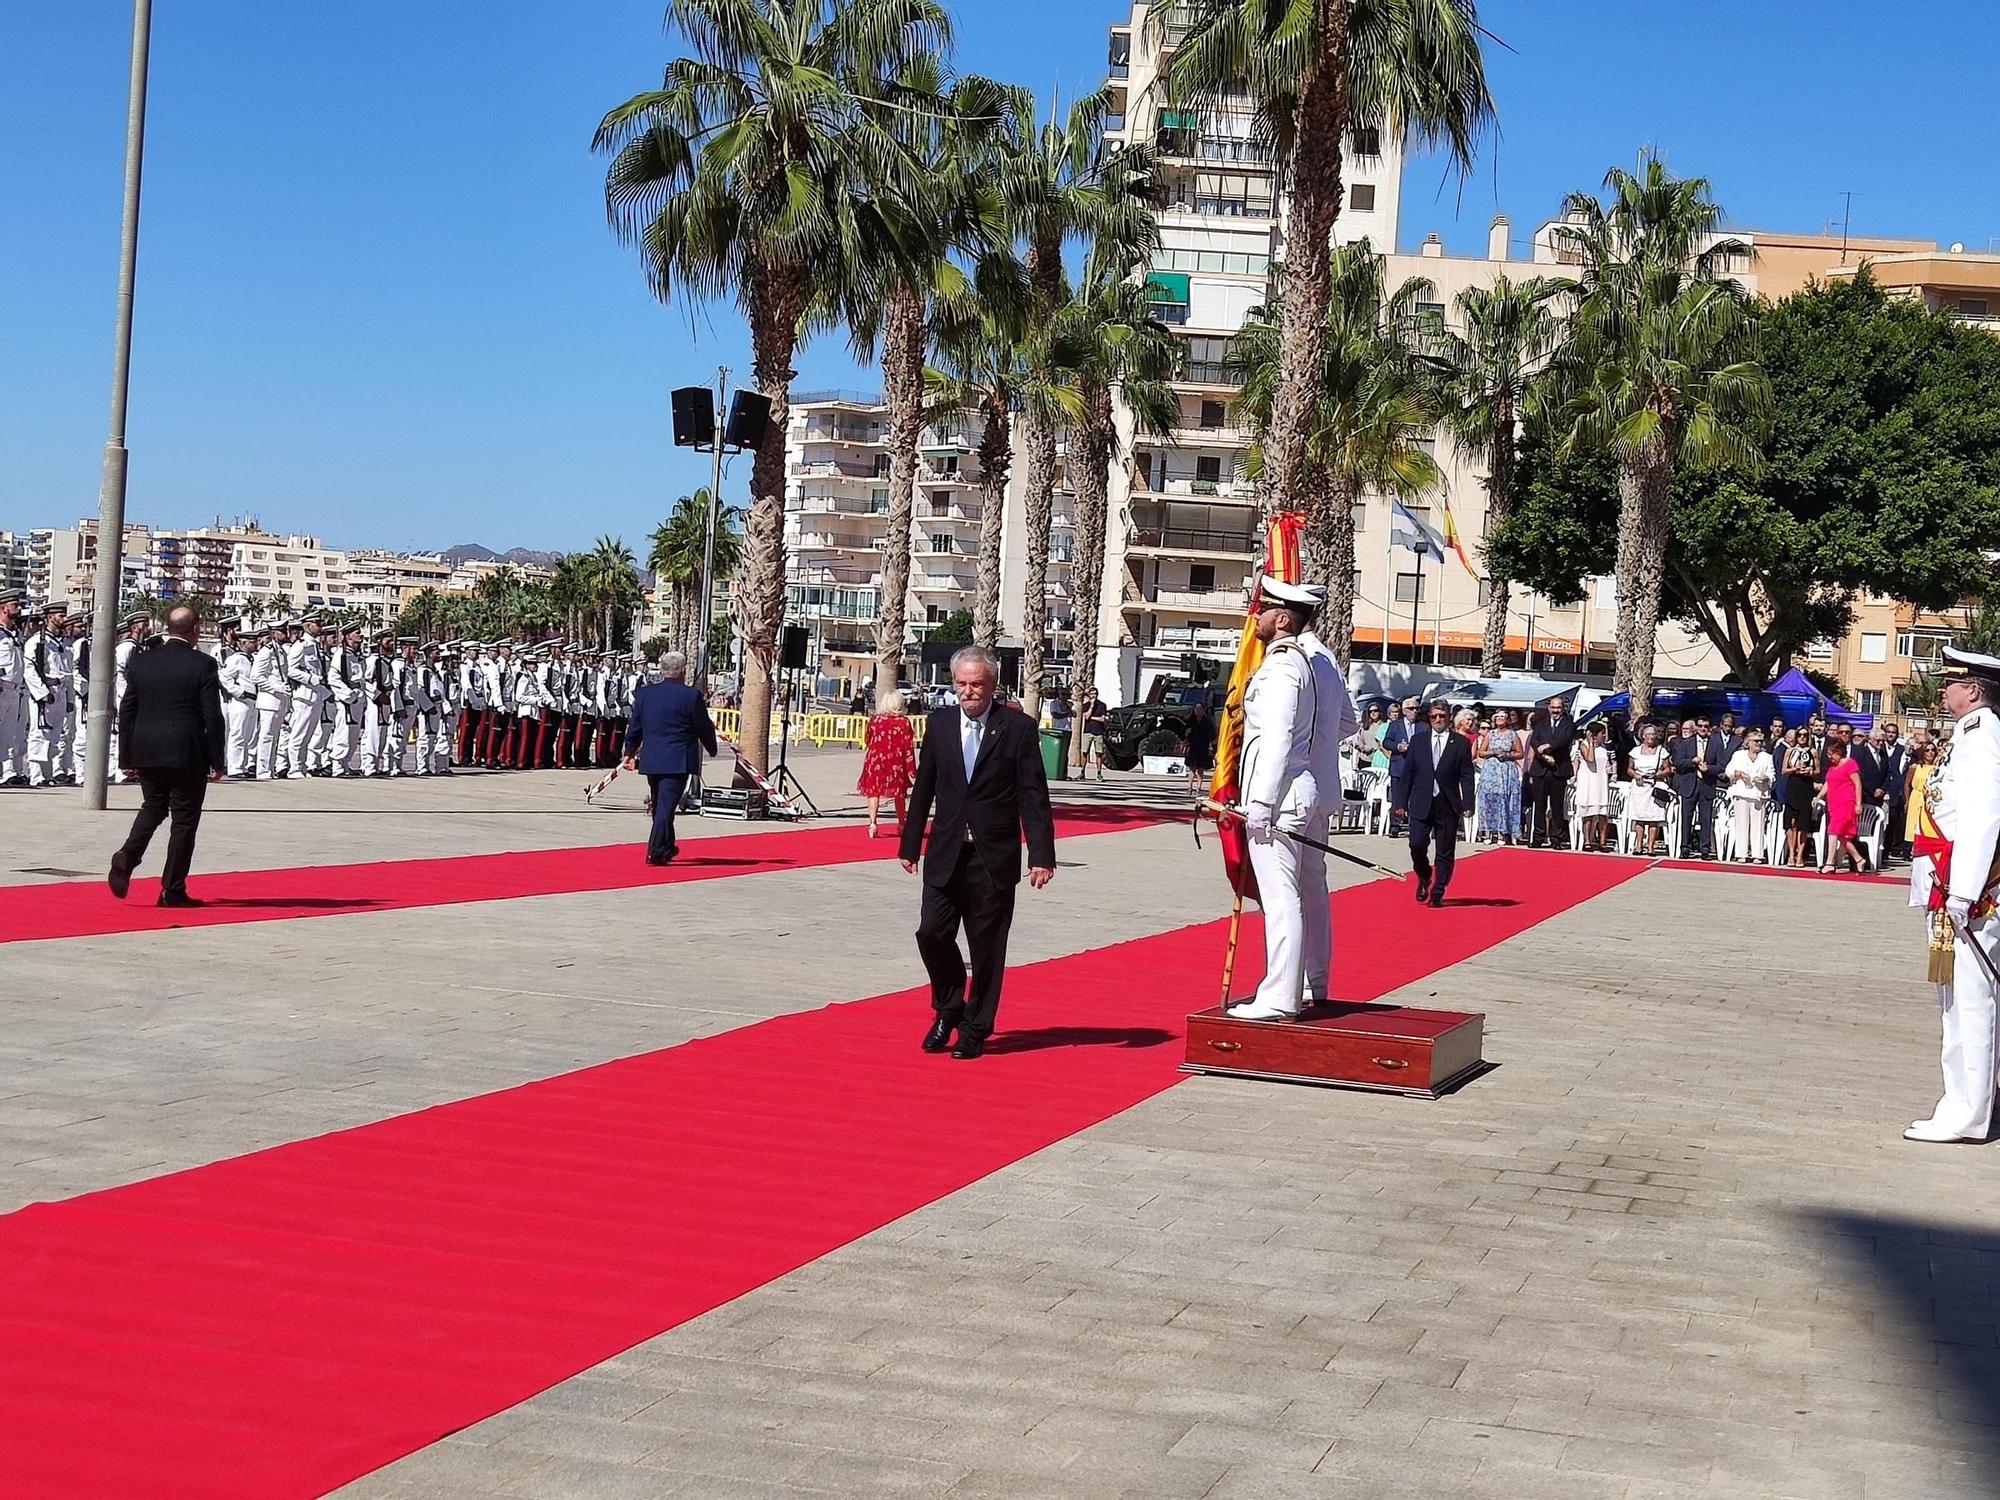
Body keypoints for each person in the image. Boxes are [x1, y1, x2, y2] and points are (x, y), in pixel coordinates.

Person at [899, 644, 1057, 1058]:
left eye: (976, 684)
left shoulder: (1018, 729)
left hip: (993, 858)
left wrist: (1041, 855)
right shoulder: (939, 724)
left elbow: (1033, 795)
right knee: (931, 933)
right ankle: (948, 1007)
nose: (968, 692)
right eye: (961, 684)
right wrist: (910, 843)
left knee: (987, 948)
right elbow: (924, 788)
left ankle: (976, 1027)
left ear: (992, 686)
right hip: (946, 851)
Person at [1225, 579, 1356, 1019]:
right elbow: (1347, 724)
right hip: (1312, 791)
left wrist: (1260, 801)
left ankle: (1281, 994)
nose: (1254, 616)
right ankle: (1314, 981)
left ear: (1282, 619)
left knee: (1283, 896)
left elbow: (1278, 736)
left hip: (1282, 796)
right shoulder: (1323, 658)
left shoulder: (1284, 665)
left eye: (1262, 609)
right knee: (1311, 891)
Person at [1906, 648, 2000, 1143]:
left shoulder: (1983, 735)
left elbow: (1984, 817)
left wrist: (1963, 892)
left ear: (1974, 689)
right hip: (1950, 883)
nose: (1942, 690)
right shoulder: (1968, 735)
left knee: (1971, 1001)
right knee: (1956, 1001)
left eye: (1951, 683)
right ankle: (1959, 1101)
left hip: (1969, 891)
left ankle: (1970, 1111)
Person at [107, 605, 226, 908]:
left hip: (147, 750)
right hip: (187, 752)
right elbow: (212, 717)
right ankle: (172, 888)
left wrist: (127, 756)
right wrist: (217, 759)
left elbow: (128, 710)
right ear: (195, 630)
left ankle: (128, 854)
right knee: (184, 822)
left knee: (154, 806)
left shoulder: (143, 662)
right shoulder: (203, 664)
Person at [622, 650, 718, 866]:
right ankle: (655, 850)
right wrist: (712, 748)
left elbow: (635, 726)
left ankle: (666, 846)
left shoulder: (646, 694)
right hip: (677, 760)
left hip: (653, 759)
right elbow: (703, 726)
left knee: (661, 804)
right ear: (683, 671)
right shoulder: (691, 696)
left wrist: (629, 751)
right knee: (665, 806)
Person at [1403, 698, 1477, 908]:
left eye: (1442, 716)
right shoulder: (1418, 740)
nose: (1438, 719)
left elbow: (1466, 775)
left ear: (1449, 717)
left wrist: (1468, 802)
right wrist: (1400, 802)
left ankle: (1437, 891)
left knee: (1444, 850)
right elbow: (1408, 772)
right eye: (1434, 716)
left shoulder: (1461, 743)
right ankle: (1424, 875)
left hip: (1447, 802)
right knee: (1416, 843)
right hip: (1421, 801)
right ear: (1429, 717)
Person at [24, 601, 73, 786]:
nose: (64, 619)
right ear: (50, 617)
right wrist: (42, 693)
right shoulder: (37, 641)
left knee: (55, 736)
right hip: (46, 693)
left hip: (60, 691)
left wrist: (69, 698)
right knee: (39, 734)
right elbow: (30, 669)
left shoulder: (64, 642)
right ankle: (36, 776)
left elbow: (69, 673)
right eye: (60, 616)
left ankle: (48, 774)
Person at [856, 689, 917, 838]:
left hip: (875, 760)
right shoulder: (903, 722)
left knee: (873, 792)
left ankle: (872, 823)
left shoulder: (875, 720)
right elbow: (908, 747)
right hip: (896, 762)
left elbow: (867, 739)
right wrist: (912, 769)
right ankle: (902, 824)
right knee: (899, 794)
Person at [1524, 695, 1576, 849]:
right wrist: (1545, 756)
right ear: (1549, 708)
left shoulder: (1569, 725)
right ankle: (1538, 837)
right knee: (1539, 806)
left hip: (1558, 770)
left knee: (1557, 807)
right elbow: (1534, 742)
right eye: (1553, 708)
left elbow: (1563, 740)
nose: (1555, 711)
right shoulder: (1541, 724)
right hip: (1540, 769)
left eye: (1558, 708)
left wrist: (1547, 747)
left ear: (1563, 708)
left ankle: (1557, 839)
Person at [1724, 728, 1775, 864]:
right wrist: (1739, 774)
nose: (1759, 743)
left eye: (1760, 741)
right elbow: (1728, 770)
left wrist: (1765, 778)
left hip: (1759, 794)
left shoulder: (1767, 757)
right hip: (1741, 793)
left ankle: (1757, 854)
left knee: (1758, 825)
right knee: (1741, 823)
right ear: (1748, 742)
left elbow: (1772, 775)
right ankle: (1741, 853)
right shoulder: (1738, 755)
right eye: (1756, 741)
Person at [1474, 707, 1523, 846]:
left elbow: (1520, 753)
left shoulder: (1513, 735)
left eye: (1503, 717)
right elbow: (1481, 752)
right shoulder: (1490, 734)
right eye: (1498, 717)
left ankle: (1502, 833)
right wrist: (1492, 752)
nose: (1500, 719)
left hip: (1506, 770)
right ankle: (1488, 832)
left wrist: (1508, 755)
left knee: (1504, 800)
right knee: (1489, 799)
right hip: (1491, 770)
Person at [217, 623, 260, 777]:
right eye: (252, 641)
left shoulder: (253, 659)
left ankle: (244, 765)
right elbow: (223, 676)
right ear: (243, 643)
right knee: (238, 734)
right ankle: (235, 767)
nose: (256, 644)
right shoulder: (235, 659)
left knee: (249, 735)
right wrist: (238, 691)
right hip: (241, 700)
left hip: (253, 700)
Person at [251, 623, 291, 780]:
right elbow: (256, 676)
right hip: (269, 700)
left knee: (275, 737)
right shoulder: (266, 652)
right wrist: (276, 688)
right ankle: (263, 771)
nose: (285, 633)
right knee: (266, 736)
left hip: (279, 701)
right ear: (274, 633)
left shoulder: (280, 652)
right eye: (282, 631)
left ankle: (270, 768)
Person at [1821, 740, 1867, 873]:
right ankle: (1859, 859)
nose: (1830, 757)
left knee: (1833, 831)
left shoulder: (1850, 763)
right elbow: (1828, 784)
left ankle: (1830, 862)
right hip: (1833, 804)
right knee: (1841, 835)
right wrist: (1818, 796)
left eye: (1832, 754)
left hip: (1846, 802)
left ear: (1839, 752)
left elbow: (1857, 784)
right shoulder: (1831, 768)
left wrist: (1858, 804)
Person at [1627, 723, 1671, 855]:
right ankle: (1639, 845)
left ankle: (1651, 847)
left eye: (1653, 734)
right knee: (1639, 817)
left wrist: (1657, 774)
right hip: (1639, 787)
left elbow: (1668, 769)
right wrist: (1636, 775)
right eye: (1648, 734)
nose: (1651, 737)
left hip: (1654, 786)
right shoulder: (1635, 751)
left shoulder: (1661, 751)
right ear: (1643, 736)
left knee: (1654, 818)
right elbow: (1629, 769)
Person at [1573, 722, 1615, 853]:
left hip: (1601, 781)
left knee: (1602, 813)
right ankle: (1587, 840)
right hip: (1588, 781)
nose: (1604, 735)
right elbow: (1590, 759)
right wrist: (1591, 742)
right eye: (1602, 733)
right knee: (1588, 813)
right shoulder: (1583, 745)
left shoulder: (1604, 748)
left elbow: (1609, 764)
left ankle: (1603, 842)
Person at [1781, 729, 1820, 867]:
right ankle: (1791, 854)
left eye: (1805, 735)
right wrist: (1794, 769)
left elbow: (1818, 771)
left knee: (1803, 824)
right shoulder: (1790, 751)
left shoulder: (1813, 752)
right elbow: (1783, 771)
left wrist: (1810, 772)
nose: (1802, 737)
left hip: (1806, 787)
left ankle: (1800, 855)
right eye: (1800, 735)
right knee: (1791, 823)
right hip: (1793, 786)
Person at [1382, 696, 1420, 835]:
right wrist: (1397, 746)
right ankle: (1395, 825)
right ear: (1404, 710)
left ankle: (1414, 825)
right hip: (1399, 766)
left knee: (1415, 799)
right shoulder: (1395, 725)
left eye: (1416, 708)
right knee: (1398, 798)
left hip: (1417, 768)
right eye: (1411, 708)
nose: (1414, 711)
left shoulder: (1423, 726)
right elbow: (1386, 742)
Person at [0, 587, 26, 787]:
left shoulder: (15, 633)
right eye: (14, 605)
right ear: (3, 608)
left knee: (7, 737)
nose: (18, 608)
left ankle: (4, 774)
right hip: (1, 687)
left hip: (15, 689)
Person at [1183, 699, 1218, 796]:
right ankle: (1189, 788)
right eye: (1196, 708)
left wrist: (1211, 744)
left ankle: (1199, 788)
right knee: (1192, 769)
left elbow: (1213, 735)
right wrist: (1186, 736)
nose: (1197, 710)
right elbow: (1184, 732)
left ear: (1203, 710)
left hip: (1203, 748)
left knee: (1200, 770)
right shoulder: (1191, 720)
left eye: (1199, 709)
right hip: (1192, 747)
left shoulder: (1207, 721)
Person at [1077, 691, 1110, 782]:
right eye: (1091, 694)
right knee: (1084, 752)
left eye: (1095, 694)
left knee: (1099, 753)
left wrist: (1092, 717)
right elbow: (1086, 717)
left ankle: (1099, 774)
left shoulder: (1102, 705)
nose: (1093, 695)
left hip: (1098, 732)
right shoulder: (1086, 705)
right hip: (1088, 731)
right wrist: (1091, 706)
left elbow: (1103, 719)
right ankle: (1082, 772)